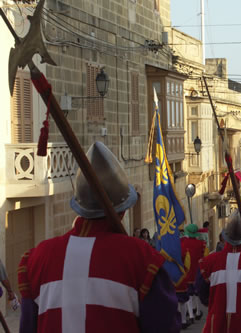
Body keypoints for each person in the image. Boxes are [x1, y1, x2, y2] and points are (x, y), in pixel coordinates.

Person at [17, 141, 181, 332]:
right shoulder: (142, 259)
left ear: (79, 207)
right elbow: (165, 325)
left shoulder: (38, 259)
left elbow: (27, 327)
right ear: (122, 212)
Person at [175, 223, 208, 329]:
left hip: (187, 272)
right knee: (197, 293)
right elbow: (206, 257)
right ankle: (198, 312)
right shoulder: (202, 243)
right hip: (198, 271)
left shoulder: (181, 243)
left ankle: (191, 314)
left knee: (188, 294)